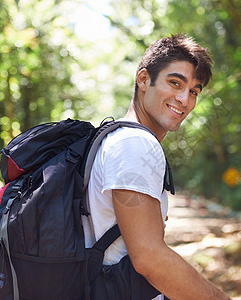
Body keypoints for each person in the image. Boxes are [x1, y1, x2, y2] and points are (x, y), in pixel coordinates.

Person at [82, 34, 231, 300]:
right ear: (143, 80)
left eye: (194, 91)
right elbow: (149, 257)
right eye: (175, 83)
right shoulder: (135, 144)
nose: (184, 99)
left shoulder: (113, 136)